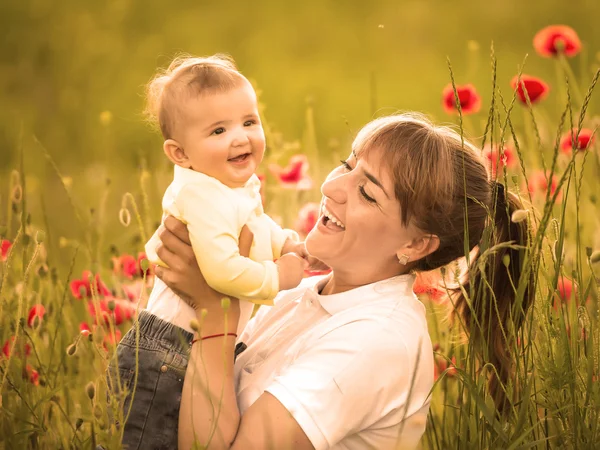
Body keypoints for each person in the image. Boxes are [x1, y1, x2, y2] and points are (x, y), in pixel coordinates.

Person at [153, 113, 534, 449]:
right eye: (345, 165)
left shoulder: (375, 342)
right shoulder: (306, 293)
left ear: (416, 243)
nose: (331, 188)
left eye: (367, 193)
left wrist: (215, 312)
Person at [109, 54, 309, 449]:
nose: (240, 137)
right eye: (218, 130)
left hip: (192, 341)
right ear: (179, 154)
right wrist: (277, 277)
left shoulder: (225, 185)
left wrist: (285, 241)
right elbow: (220, 271)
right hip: (168, 351)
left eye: (249, 122)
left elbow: (253, 225)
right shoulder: (200, 194)